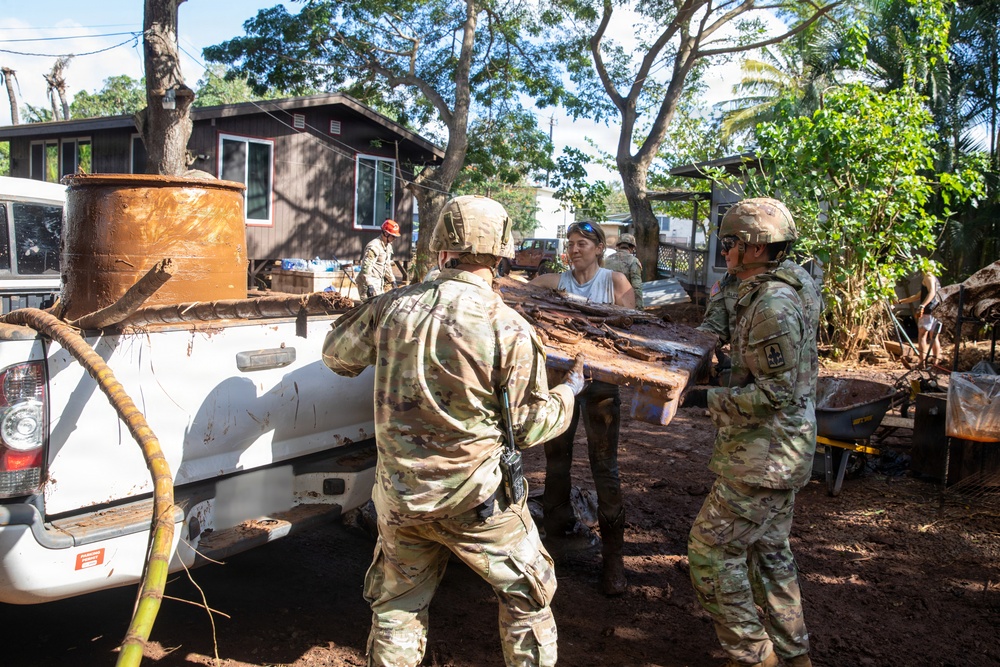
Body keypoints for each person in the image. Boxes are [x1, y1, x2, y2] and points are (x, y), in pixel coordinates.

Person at [322, 195, 587, 667]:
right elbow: (529, 427)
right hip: (479, 504)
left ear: (442, 249)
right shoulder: (509, 328)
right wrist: (569, 394)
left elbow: (336, 356)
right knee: (528, 601)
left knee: (396, 609)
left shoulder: (391, 308)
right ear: (502, 254)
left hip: (402, 499)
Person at [684, 198, 818, 667]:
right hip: (774, 451)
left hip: (765, 455)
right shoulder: (755, 286)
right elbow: (716, 323)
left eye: (731, 243)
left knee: (710, 553)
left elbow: (776, 393)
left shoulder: (774, 306)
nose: (724, 250)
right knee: (769, 553)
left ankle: (756, 657)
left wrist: (700, 399)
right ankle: (794, 655)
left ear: (756, 248)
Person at [530, 221, 635, 596]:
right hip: (563, 384)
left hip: (602, 389)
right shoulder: (558, 282)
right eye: (570, 243)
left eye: (582, 243)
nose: (574, 249)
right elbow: (523, 290)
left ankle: (613, 560)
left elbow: (629, 337)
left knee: (604, 466)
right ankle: (558, 533)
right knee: (556, 455)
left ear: (598, 248)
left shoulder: (616, 283)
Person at [897, 271, 942, 366]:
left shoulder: (928, 276)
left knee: (922, 336)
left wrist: (922, 306)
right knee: (934, 337)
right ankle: (935, 363)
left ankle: (922, 362)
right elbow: (918, 296)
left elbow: (932, 292)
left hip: (928, 311)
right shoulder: (934, 280)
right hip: (937, 311)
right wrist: (900, 301)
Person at [356, 219, 400, 300]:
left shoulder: (388, 246)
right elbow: (365, 268)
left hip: (378, 282)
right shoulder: (374, 247)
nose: (395, 238)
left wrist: (393, 281)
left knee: (379, 307)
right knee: (370, 309)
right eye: (393, 236)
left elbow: (387, 265)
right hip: (367, 283)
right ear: (386, 233)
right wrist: (369, 285)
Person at [603, 232, 644, 308]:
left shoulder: (607, 259)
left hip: (606, 302)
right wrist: (639, 310)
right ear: (632, 248)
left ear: (618, 246)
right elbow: (637, 287)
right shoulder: (633, 261)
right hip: (624, 304)